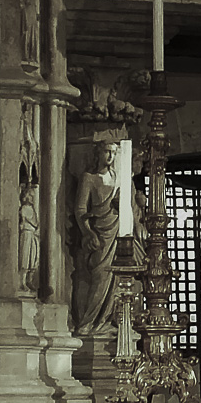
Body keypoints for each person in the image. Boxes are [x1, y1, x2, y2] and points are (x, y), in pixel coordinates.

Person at [72, 141, 121, 333]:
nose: (110, 156)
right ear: (98, 153)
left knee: (118, 276)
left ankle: (109, 320)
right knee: (100, 275)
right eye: (107, 152)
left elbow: (128, 204)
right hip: (99, 233)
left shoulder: (118, 177)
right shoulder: (89, 178)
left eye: (114, 153)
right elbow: (80, 208)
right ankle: (88, 321)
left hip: (117, 231)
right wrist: (88, 232)